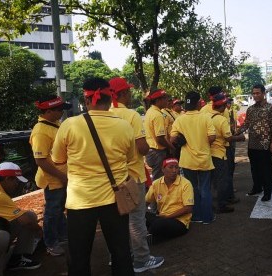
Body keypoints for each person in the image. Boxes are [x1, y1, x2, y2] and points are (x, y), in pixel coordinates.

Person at [51, 77, 135, 276]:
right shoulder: (124, 126)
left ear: (86, 100)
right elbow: (129, 158)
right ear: (110, 98)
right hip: (115, 200)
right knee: (121, 253)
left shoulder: (69, 125)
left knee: (79, 258)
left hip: (80, 202)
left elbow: (58, 160)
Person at [109, 77, 164, 273]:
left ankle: (117, 256)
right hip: (132, 176)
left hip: (110, 179)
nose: (131, 95)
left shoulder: (104, 114)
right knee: (136, 220)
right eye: (128, 92)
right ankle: (141, 259)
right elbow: (142, 148)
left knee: (115, 221)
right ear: (122, 94)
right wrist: (147, 146)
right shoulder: (130, 115)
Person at [0, 162, 42, 275]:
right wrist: (40, 231)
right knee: (2, 236)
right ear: (7, 179)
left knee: (29, 215)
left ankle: (17, 259)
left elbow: (24, 217)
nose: (17, 184)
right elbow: (27, 222)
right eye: (15, 180)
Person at [29, 95, 70, 257]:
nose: (61, 112)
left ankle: (62, 235)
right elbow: (40, 160)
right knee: (52, 212)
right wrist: (62, 176)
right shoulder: (40, 131)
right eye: (59, 110)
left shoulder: (54, 124)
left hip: (61, 178)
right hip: (53, 180)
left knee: (59, 209)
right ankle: (51, 243)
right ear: (48, 111)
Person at [170, 91, 216, 224]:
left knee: (192, 188)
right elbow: (212, 137)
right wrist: (203, 142)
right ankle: (207, 217)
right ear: (198, 103)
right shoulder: (205, 117)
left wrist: (183, 140)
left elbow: (173, 138)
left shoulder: (180, 119)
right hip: (204, 159)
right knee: (205, 188)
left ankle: (196, 216)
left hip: (187, 160)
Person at [236, 84, 272, 201]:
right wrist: (236, 132)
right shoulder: (250, 109)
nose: (255, 95)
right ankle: (257, 187)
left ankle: (267, 192)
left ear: (263, 93)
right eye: (253, 93)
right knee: (254, 168)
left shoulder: (270, 109)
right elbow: (246, 124)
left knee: (266, 170)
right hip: (252, 144)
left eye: (258, 93)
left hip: (265, 144)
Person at [208, 93, 245, 213]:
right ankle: (221, 205)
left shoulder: (205, 116)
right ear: (223, 106)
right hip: (219, 153)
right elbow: (228, 138)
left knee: (211, 180)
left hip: (209, 153)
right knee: (222, 180)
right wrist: (241, 138)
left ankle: (211, 204)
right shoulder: (221, 120)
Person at [145, 158, 194, 242]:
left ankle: (150, 235)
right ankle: (153, 235)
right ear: (163, 169)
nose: (174, 170)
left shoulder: (186, 183)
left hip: (179, 221)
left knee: (158, 224)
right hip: (162, 217)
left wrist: (167, 217)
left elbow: (188, 208)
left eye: (176, 167)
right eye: (171, 167)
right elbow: (146, 201)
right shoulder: (156, 183)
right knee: (141, 216)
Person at [144, 89, 174, 181]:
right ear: (158, 100)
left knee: (157, 178)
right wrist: (171, 147)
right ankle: (158, 195)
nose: (167, 100)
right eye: (165, 98)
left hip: (151, 151)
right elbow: (160, 138)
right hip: (157, 152)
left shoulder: (150, 111)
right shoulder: (157, 115)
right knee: (158, 180)